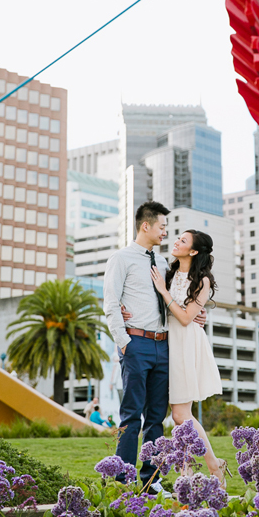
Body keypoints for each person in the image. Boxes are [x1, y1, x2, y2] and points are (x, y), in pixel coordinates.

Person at [102, 201, 207, 493]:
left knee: (156, 417)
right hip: (136, 343)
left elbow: (179, 299)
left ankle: (152, 481)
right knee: (131, 414)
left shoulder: (162, 263)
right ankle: (121, 480)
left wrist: (200, 312)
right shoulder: (120, 259)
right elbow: (110, 305)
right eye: (162, 227)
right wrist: (124, 343)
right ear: (145, 226)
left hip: (165, 347)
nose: (165, 233)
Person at [151, 229, 230, 485]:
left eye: (183, 241)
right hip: (169, 343)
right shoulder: (170, 273)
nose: (176, 242)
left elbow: (186, 318)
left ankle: (208, 467)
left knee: (180, 415)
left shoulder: (202, 280)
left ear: (194, 251)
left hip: (186, 344)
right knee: (181, 415)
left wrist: (164, 292)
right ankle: (193, 471)